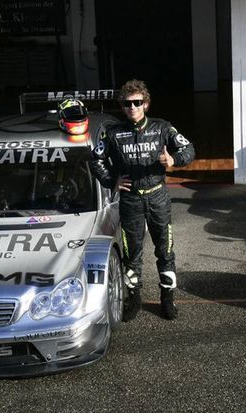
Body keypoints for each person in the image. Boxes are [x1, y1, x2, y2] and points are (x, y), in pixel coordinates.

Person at [89, 79, 195, 321]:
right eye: (128, 104)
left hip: (158, 197)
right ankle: (133, 298)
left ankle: (167, 299)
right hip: (131, 200)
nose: (132, 107)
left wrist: (174, 161)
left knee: (165, 250)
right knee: (132, 253)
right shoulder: (113, 132)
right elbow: (95, 159)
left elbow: (188, 149)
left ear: (146, 104)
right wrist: (110, 182)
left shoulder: (162, 128)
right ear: (123, 107)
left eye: (137, 102)